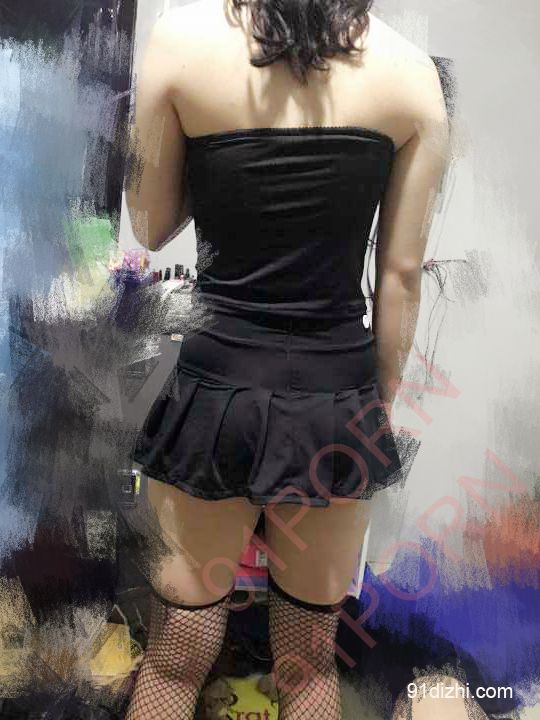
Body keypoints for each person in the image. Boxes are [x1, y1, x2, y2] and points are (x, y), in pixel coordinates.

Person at [124, 0, 449, 717]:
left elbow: (148, 224)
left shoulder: (179, 42)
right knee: (308, 668)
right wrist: (373, 408)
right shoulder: (412, 76)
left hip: (214, 395)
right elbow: (400, 275)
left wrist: (223, 159)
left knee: (175, 664)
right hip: (336, 397)